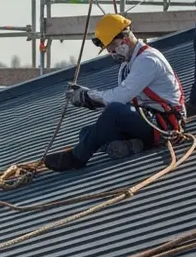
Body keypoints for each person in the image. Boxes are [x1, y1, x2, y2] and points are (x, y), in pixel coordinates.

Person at [43, 13, 186, 172]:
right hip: (146, 119)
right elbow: (119, 100)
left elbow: (119, 99)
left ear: (123, 40)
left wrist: (88, 96)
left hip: (164, 124)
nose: (111, 53)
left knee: (113, 112)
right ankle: (135, 145)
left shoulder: (147, 60)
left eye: (112, 48)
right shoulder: (127, 65)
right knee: (86, 133)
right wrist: (86, 98)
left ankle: (77, 158)